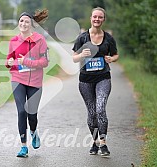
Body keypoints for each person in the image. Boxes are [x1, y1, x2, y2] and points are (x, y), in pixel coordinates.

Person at [72, 7, 119, 156]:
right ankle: (95, 142)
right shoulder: (82, 38)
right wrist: (81, 55)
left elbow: (116, 55)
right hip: (85, 80)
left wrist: (111, 59)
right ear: (91, 18)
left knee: (100, 109)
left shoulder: (109, 38)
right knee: (92, 114)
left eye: (100, 17)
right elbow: (74, 58)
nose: (97, 19)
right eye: (94, 17)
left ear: (103, 20)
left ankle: (103, 144)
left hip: (103, 78)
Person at [5, 9, 49, 157]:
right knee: (21, 111)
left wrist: (27, 61)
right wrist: (9, 62)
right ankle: (23, 147)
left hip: (35, 82)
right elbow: (10, 59)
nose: (23, 24)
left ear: (31, 25)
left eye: (26, 22)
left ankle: (33, 131)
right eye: (21, 21)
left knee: (32, 114)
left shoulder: (40, 40)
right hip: (18, 79)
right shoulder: (13, 41)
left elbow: (44, 62)